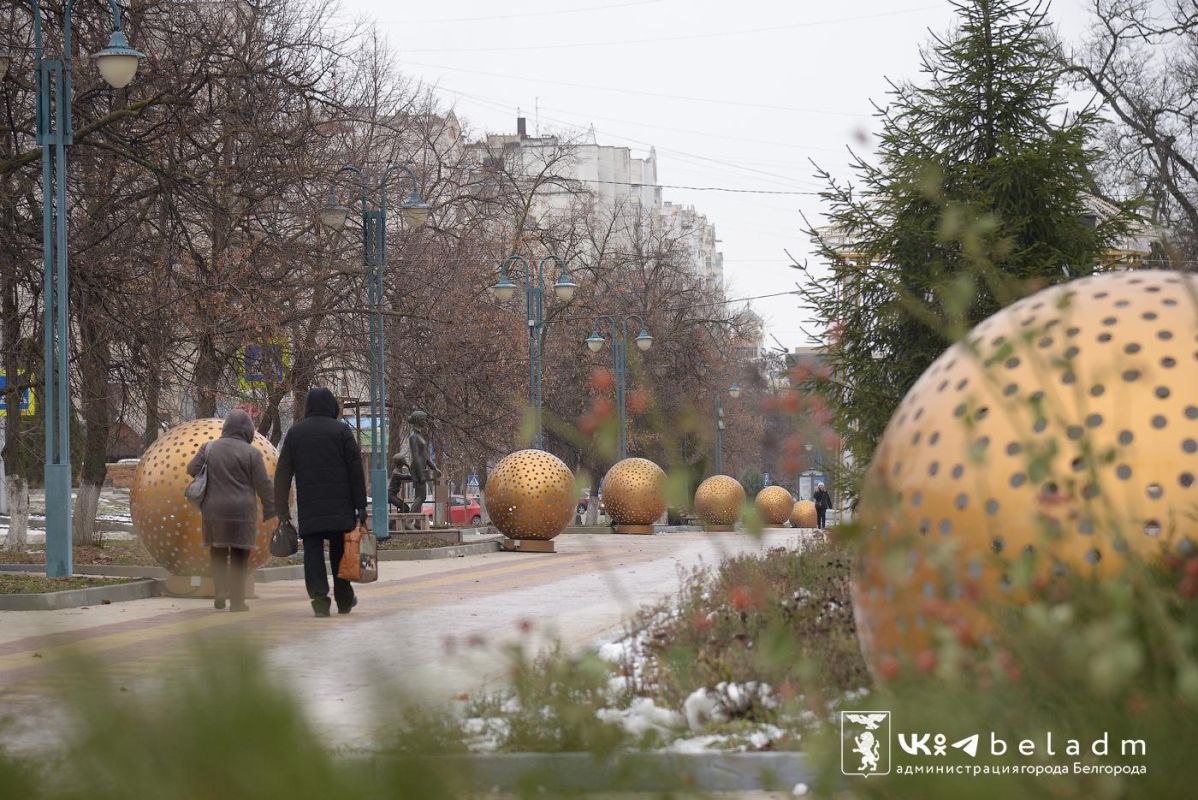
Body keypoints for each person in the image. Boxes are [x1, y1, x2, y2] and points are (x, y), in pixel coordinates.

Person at [273, 387, 367, 617]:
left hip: (310, 508)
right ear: (331, 406)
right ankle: (344, 599)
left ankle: (319, 600)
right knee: (339, 553)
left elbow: (282, 474)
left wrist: (281, 509)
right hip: (341, 508)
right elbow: (356, 472)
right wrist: (361, 506)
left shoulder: (295, 433)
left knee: (313, 553)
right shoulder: (342, 431)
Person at [186, 410, 275, 612]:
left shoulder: (209, 447)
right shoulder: (252, 453)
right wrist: (270, 509)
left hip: (213, 510)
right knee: (239, 555)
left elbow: (191, 469)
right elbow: (263, 484)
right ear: (248, 431)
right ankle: (237, 602)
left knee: (217, 551)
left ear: (226, 428)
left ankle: (219, 591)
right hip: (242, 512)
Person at [407, 410, 441, 511]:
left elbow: (425, 456)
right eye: (424, 420)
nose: (425, 422)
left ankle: (416, 519)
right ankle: (410, 517)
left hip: (422, 468)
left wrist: (434, 468)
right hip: (417, 469)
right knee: (422, 496)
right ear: (418, 420)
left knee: (420, 496)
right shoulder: (413, 436)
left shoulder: (419, 435)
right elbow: (416, 456)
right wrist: (420, 474)